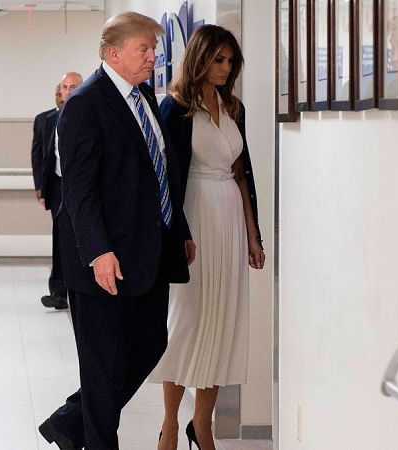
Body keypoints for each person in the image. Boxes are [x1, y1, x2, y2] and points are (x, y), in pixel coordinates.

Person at [38, 12, 196, 450]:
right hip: (105, 259)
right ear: (112, 52)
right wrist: (98, 252)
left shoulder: (144, 95)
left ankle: (70, 422)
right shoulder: (85, 104)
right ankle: (95, 440)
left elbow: (160, 170)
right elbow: (80, 191)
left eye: (154, 49)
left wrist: (177, 228)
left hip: (151, 250)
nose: (152, 57)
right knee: (103, 365)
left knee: (149, 345)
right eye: (143, 49)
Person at [148, 25, 265, 450]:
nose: (225, 68)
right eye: (218, 59)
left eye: (231, 61)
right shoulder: (175, 107)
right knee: (185, 322)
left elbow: (241, 173)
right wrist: (177, 231)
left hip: (230, 217)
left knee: (222, 321)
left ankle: (204, 425)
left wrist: (255, 237)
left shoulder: (234, 107)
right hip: (192, 216)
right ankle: (170, 424)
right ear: (199, 58)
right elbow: (163, 179)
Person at [37, 72, 83, 310]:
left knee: (79, 238)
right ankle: (58, 291)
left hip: (80, 188)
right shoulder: (49, 120)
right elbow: (42, 156)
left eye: (73, 86)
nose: (68, 91)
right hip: (57, 186)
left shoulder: (87, 118)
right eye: (64, 87)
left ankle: (77, 288)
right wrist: (41, 188)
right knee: (60, 239)